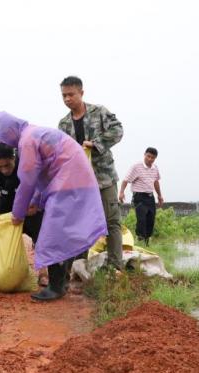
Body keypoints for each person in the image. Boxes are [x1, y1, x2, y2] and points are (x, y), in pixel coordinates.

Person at [0, 111, 107, 301]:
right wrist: (35, 202)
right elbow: (40, 175)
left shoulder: (27, 140)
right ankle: (61, 283)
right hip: (75, 180)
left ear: (9, 132)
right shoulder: (33, 133)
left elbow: (28, 181)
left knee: (51, 236)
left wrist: (18, 213)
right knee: (62, 233)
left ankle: (55, 287)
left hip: (69, 182)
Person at [58, 75, 124, 271]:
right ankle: (80, 266)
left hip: (104, 178)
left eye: (71, 94)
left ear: (81, 93)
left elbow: (118, 130)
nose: (67, 99)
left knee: (111, 222)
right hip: (79, 184)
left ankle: (115, 266)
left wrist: (95, 144)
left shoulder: (99, 112)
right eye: (64, 96)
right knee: (81, 224)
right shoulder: (63, 124)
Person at [0, 143, 43, 244]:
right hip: (7, 206)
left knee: (42, 238)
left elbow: (41, 186)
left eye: (7, 165)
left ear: (13, 157)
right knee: (5, 241)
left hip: (29, 206)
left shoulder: (26, 164)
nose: (4, 170)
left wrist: (37, 203)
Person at [119, 147, 163, 246]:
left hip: (150, 197)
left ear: (155, 158)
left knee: (150, 220)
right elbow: (126, 180)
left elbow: (156, 182)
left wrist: (159, 195)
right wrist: (121, 192)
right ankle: (139, 240)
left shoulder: (155, 168)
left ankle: (147, 243)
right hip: (139, 197)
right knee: (142, 220)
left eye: (153, 157)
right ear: (145, 155)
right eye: (148, 156)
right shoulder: (136, 167)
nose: (150, 159)